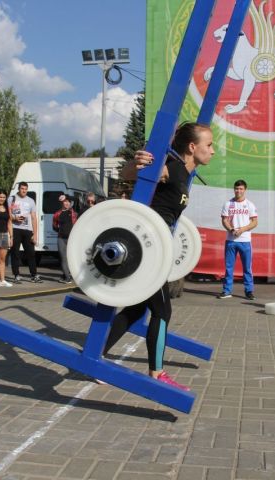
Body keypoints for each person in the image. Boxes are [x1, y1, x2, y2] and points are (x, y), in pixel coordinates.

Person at [102, 122, 214, 390]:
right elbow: (129, 173)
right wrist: (137, 161)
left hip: (155, 249)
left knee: (136, 310)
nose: (213, 150)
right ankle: (157, 373)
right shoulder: (173, 170)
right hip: (149, 251)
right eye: (208, 145)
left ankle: (95, 352)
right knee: (162, 311)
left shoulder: (184, 173)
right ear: (192, 147)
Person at [218, 179, 258, 300]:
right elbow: (224, 220)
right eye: (236, 188)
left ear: (245, 190)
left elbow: (255, 222)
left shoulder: (250, 205)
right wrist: (231, 229)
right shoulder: (228, 204)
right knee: (229, 267)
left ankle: (249, 291)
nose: (238, 191)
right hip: (231, 240)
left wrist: (242, 229)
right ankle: (227, 291)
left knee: (247, 268)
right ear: (234, 189)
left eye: (241, 189)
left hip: (245, 241)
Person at [8, 182, 42, 283]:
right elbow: (7, 214)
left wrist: (35, 234)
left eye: (25, 189)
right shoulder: (12, 199)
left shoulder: (31, 201)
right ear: (18, 189)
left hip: (27, 230)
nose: (24, 191)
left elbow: (33, 217)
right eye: (22, 189)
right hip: (15, 229)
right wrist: (15, 218)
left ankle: (34, 275)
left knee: (31, 253)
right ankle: (16, 275)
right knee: (15, 253)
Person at [52, 195, 77, 283]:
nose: (67, 203)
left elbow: (75, 198)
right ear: (62, 203)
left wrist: (65, 196)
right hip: (61, 238)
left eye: (68, 202)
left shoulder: (72, 212)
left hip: (71, 239)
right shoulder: (57, 213)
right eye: (65, 201)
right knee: (63, 258)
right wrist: (60, 230)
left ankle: (67, 275)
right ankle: (67, 278)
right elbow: (54, 226)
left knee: (71, 258)